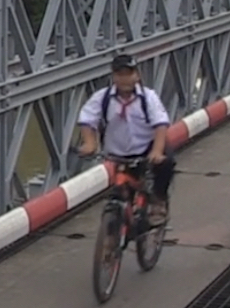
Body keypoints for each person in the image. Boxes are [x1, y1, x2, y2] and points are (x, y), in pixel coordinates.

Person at [75, 53, 175, 225]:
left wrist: (157, 151)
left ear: (137, 75)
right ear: (113, 76)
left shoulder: (148, 97)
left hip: (146, 147)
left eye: (129, 74)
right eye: (120, 74)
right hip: (118, 152)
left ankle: (159, 200)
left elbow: (160, 124)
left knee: (166, 163)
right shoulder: (103, 98)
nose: (124, 79)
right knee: (122, 192)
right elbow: (87, 119)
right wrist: (90, 143)